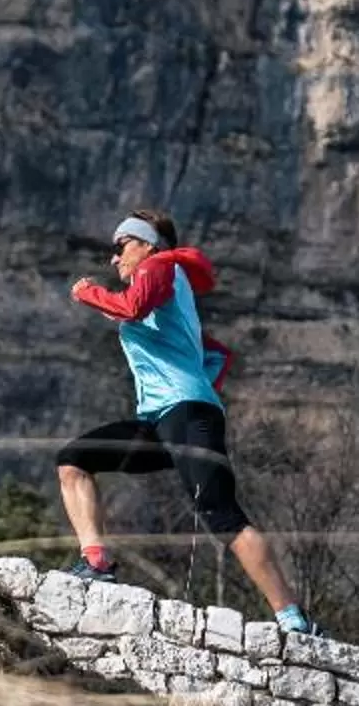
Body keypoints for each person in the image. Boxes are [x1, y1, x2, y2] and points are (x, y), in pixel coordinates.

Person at [58, 211, 323, 637]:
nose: (114, 258)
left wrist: (87, 292)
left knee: (222, 516)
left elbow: (131, 306)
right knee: (73, 461)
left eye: (121, 245)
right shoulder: (163, 283)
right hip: (160, 419)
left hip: (184, 413)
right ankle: (96, 562)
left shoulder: (160, 266)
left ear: (148, 245)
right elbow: (207, 351)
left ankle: (294, 619)